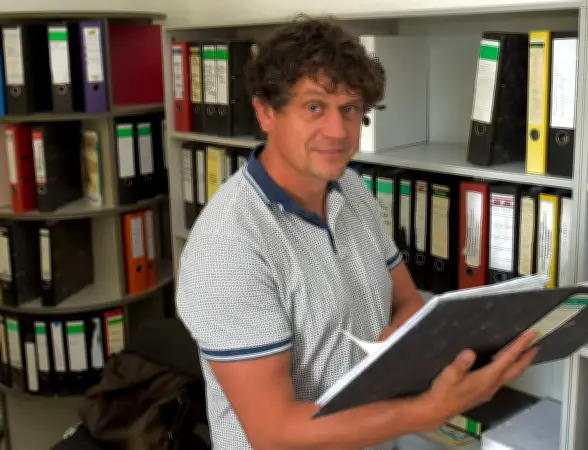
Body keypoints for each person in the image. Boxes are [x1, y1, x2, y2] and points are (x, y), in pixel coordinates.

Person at [175, 15, 539, 450]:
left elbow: (406, 302)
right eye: (315, 107)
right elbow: (274, 433)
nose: (338, 132)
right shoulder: (227, 248)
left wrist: (395, 354)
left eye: (349, 110)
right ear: (266, 111)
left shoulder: (351, 189)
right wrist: (428, 410)